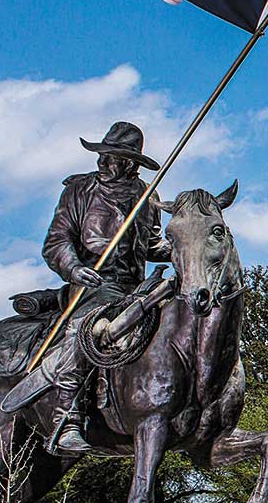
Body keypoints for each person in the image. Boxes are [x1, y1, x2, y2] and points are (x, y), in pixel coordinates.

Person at [38, 121, 170, 453]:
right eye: (103, 154)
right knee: (86, 328)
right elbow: (57, 241)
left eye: (113, 157)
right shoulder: (79, 191)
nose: (103, 161)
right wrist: (74, 268)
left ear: (131, 163)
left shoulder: (147, 196)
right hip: (95, 284)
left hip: (136, 288)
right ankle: (67, 417)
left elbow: (152, 245)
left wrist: (182, 245)